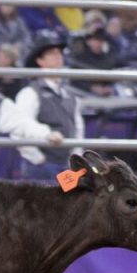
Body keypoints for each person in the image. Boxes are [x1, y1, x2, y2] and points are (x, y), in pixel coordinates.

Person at [10, 30, 83, 181]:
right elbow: (18, 131)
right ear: (40, 61)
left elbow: (78, 130)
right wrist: (38, 160)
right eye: (51, 53)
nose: (58, 56)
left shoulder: (70, 96)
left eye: (59, 52)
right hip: (42, 166)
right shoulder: (29, 93)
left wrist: (76, 160)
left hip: (65, 165)